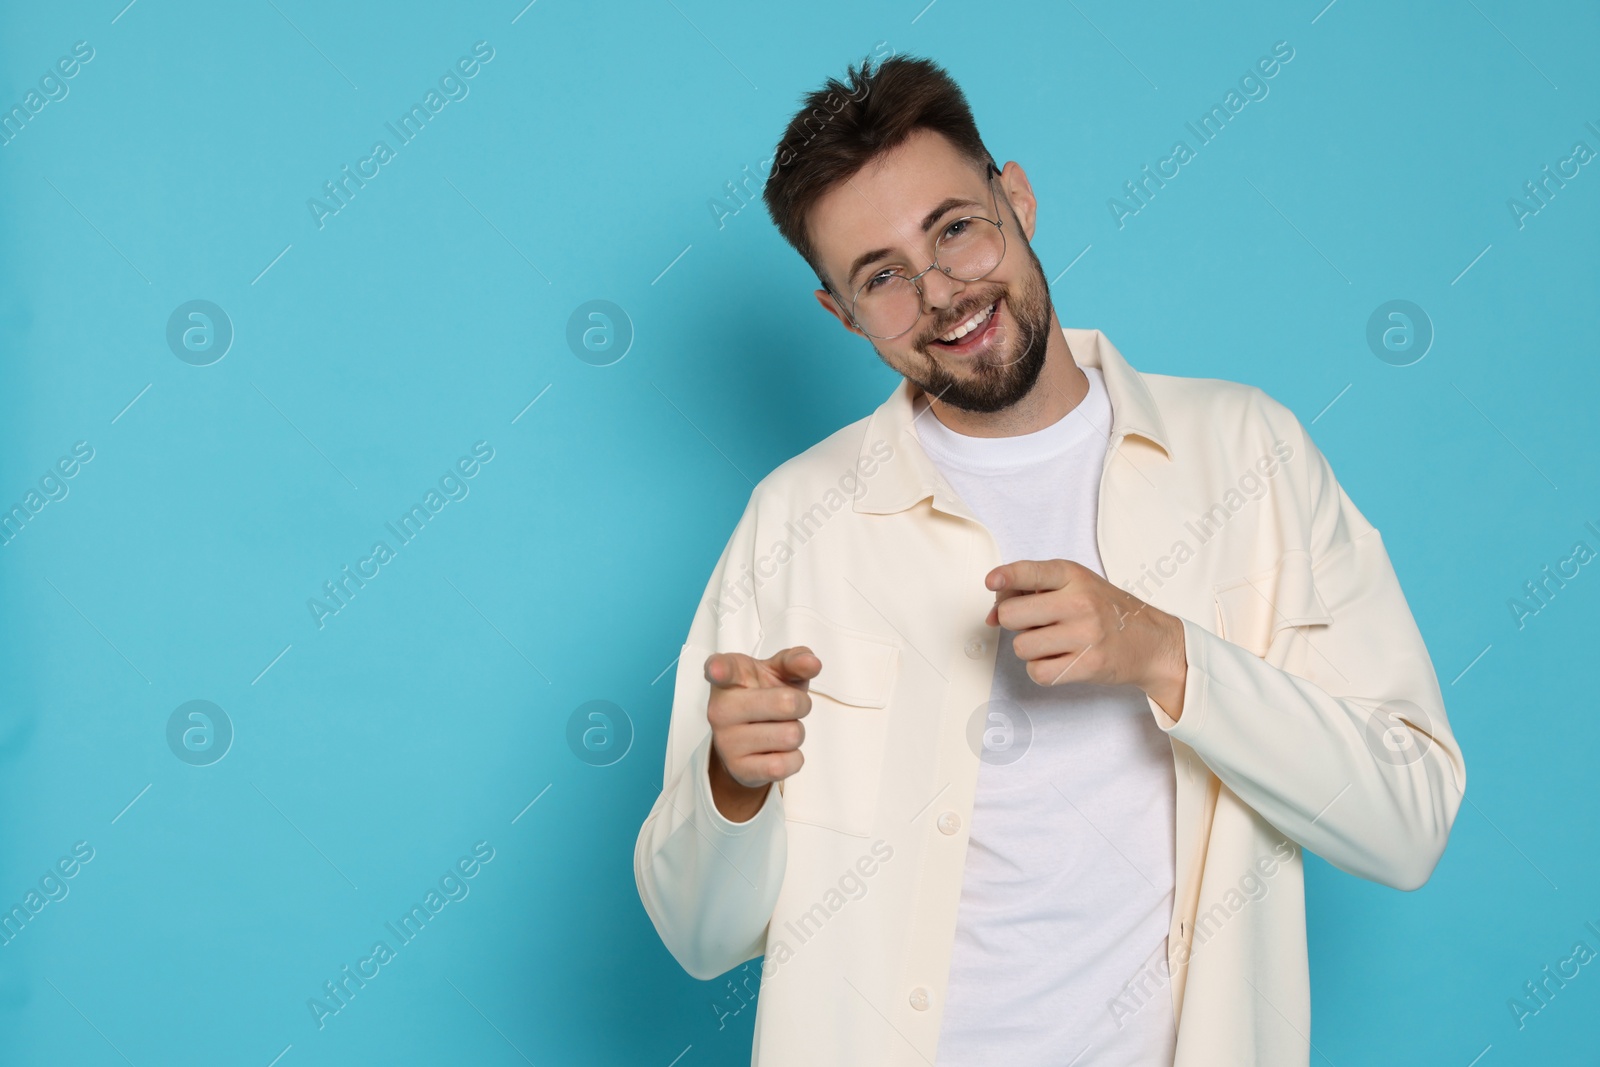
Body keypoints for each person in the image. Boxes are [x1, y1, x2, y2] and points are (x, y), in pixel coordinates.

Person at [633, 53, 1466, 1067]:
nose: (940, 291)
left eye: (953, 228)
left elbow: (1408, 818)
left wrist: (1166, 652)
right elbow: (696, 935)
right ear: (839, 314)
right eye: (881, 276)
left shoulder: (1250, 455)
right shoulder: (795, 521)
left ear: (1013, 195)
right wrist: (731, 782)